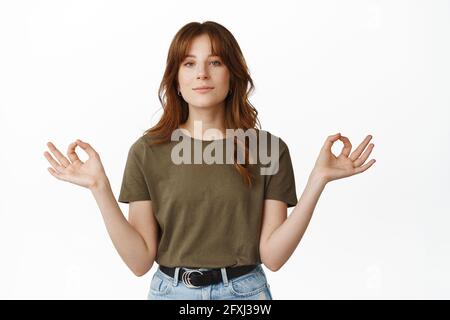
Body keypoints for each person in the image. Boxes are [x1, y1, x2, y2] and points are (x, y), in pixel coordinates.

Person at [43, 21, 376, 300]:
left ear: (233, 75)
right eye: (189, 63)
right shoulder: (147, 151)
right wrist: (99, 187)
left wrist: (317, 181)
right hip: (171, 293)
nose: (201, 73)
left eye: (215, 62)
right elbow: (139, 261)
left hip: (245, 295)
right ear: (175, 77)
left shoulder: (268, 149)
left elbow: (273, 257)